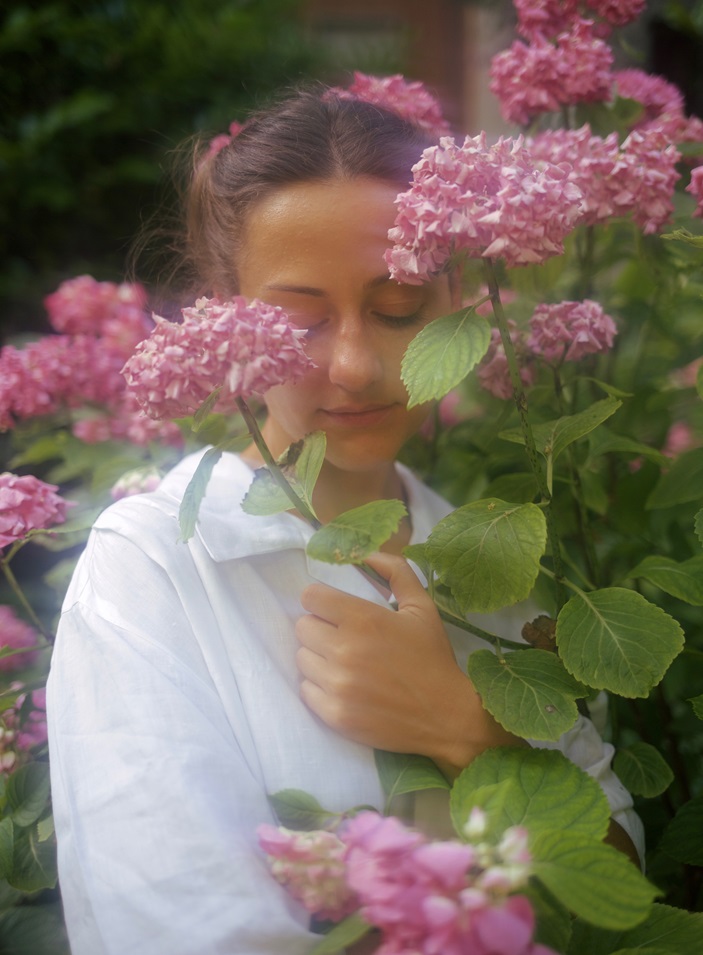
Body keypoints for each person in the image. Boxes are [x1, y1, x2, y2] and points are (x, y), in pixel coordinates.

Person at [47, 84, 643, 955]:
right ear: (222, 310)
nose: (356, 366)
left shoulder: (492, 557)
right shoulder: (151, 570)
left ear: (454, 300)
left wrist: (463, 729)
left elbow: (623, 888)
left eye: (398, 309)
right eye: (297, 322)